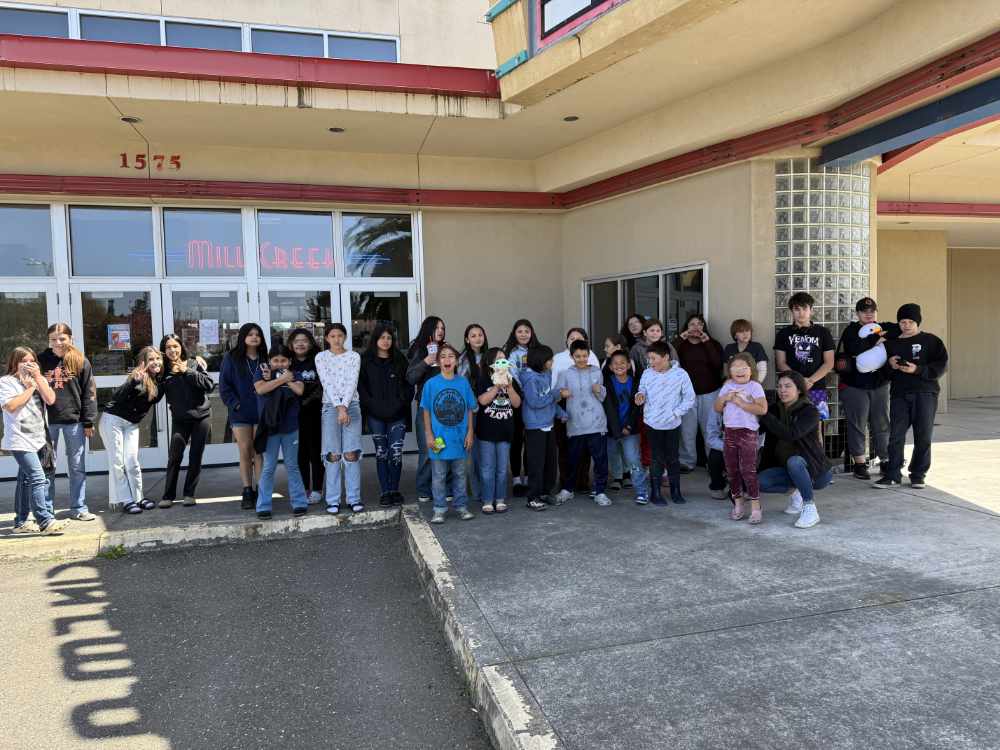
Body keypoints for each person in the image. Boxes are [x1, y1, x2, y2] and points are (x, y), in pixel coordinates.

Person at [873, 303, 948, 490]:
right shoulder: (891, 344)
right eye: (902, 322)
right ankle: (892, 474)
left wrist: (917, 369)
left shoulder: (931, 341)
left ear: (918, 322)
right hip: (899, 394)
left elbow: (941, 366)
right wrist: (890, 365)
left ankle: (918, 475)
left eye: (910, 322)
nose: (906, 325)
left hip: (925, 393)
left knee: (923, 436)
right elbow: (881, 374)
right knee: (896, 435)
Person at [1, 347, 66, 535]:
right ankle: (45, 521)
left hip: (38, 438)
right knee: (38, 478)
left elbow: (51, 399)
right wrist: (30, 388)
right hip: (19, 438)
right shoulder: (6, 382)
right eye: (24, 361)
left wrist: (38, 379)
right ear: (15, 363)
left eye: (32, 360)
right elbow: (11, 406)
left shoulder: (39, 379)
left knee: (24, 480)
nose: (29, 364)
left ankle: (20, 522)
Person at [38, 323, 97, 521]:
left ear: (70, 339)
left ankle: (78, 508)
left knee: (77, 467)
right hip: (48, 422)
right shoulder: (41, 360)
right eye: (53, 339)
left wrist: (88, 421)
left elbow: (89, 392)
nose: (58, 342)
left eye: (62, 338)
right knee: (47, 467)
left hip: (75, 422)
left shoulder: (80, 360)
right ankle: (46, 512)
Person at [758, 371, 832, 528]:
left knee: (795, 461)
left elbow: (791, 434)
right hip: (786, 469)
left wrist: (765, 415)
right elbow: (758, 429)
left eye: (787, 386)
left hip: (817, 473)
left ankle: (810, 507)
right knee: (759, 482)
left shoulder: (810, 411)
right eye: (779, 386)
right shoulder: (773, 409)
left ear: (799, 389)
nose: (782, 390)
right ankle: (797, 491)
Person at [99, 346, 164, 514]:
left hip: (131, 424)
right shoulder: (137, 376)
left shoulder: (158, 380)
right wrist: (134, 382)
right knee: (118, 463)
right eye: (151, 359)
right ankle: (126, 500)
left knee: (132, 462)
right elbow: (117, 397)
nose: (155, 362)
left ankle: (138, 497)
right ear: (143, 362)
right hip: (113, 420)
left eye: (158, 358)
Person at [837, 297, 896, 480]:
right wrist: (878, 338)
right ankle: (860, 464)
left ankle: (885, 460)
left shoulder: (882, 327)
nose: (869, 314)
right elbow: (856, 347)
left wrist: (883, 335)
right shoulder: (851, 330)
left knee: (882, 423)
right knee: (857, 424)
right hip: (854, 385)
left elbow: (899, 328)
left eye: (872, 311)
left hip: (880, 384)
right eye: (864, 311)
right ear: (858, 313)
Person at [420, 343, 477, 524]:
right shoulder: (431, 384)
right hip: (439, 439)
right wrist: (428, 434)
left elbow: (470, 408)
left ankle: (461, 506)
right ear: (438, 361)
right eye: (443, 356)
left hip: (459, 439)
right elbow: (426, 411)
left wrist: (470, 432)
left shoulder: (463, 382)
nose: (447, 359)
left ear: (457, 361)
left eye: (451, 356)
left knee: (460, 474)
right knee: (438, 476)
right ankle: (439, 509)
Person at [359, 322, 413, 506]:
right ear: (375, 339)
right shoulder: (366, 361)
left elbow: (408, 385)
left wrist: (402, 402)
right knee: (381, 453)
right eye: (382, 337)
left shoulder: (400, 360)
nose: (386, 341)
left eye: (389, 338)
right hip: (376, 416)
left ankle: (394, 489)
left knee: (396, 453)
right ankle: (385, 491)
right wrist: (371, 404)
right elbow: (361, 388)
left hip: (397, 415)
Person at [635, 341, 695, 505]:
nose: (651, 362)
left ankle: (676, 491)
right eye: (649, 359)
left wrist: (676, 413)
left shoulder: (680, 374)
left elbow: (689, 398)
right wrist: (639, 396)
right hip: (652, 423)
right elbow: (641, 390)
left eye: (654, 358)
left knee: (673, 458)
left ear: (666, 357)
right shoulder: (647, 373)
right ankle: (655, 493)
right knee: (656, 458)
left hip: (672, 423)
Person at [159, 334, 215, 508]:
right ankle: (168, 496)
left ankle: (189, 494)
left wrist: (187, 371)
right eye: (168, 347)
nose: (172, 350)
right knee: (174, 456)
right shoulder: (163, 371)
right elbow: (155, 395)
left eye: (175, 346)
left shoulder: (193, 363)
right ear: (163, 350)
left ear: (181, 347)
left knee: (195, 455)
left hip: (201, 417)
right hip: (180, 419)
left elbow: (209, 385)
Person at [253, 343, 307, 519]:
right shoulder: (262, 372)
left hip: (290, 428)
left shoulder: (295, 374)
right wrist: (282, 379)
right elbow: (261, 389)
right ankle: (263, 505)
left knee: (292, 465)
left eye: (283, 360)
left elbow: (299, 390)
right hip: (270, 428)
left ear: (290, 361)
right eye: (275, 360)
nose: (279, 363)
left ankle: (299, 502)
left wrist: (288, 379)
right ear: (270, 360)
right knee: (269, 466)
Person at [554, 339, 610, 506]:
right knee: (572, 459)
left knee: (600, 460)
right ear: (572, 356)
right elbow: (556, 395)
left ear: (589, 355)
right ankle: (568, 489)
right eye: (577, 356)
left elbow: (603, 396)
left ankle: (600, 491)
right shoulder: (565, 374)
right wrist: (561, 393)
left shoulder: (597, 372)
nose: (581, 359)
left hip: (597, 423)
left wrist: (600, 389)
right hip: (575, 424)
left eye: (584, 356)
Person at [219, 322, 267, 510]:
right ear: (243, 337)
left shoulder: (265, 357)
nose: (254, 337)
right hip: (241, 413)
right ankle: (247, 490)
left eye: (257, 334)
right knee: (245, 451)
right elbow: (224, 386)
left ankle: (262, 490)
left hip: (261, 411)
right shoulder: (231, 358)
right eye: (250, 334)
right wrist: (236, 404)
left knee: (258, 451)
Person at [316, 323, 363, 514]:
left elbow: (352, 381)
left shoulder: (354, 356)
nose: (337, 339)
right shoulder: (321, 357)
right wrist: (338, 406)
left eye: (340, 335)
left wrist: (345, 406)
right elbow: (326, 382)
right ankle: (333, 500)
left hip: (352, 405)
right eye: (332, 336)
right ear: (327, 338)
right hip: (330, 406)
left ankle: (354, 498)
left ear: (345, 337)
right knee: (333, 454)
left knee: (351, 453)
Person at [715, 353, 768, 523]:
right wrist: (725, 398)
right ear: (729, 371)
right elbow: (717, 407)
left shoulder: (755, 386)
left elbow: (763, 409)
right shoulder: (727, 385)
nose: (740, 371)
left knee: (748, 470)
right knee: (731, 470)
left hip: (748, 433)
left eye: (744, 367)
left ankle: (755, 505)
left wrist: (742, 403)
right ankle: (738, 502)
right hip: (729, 432)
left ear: (751, 370)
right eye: (735, 367)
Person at [773, 292, 835, 424]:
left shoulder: (823, 333)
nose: (801, 313)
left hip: (816, 387)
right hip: (791, 388)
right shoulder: (783, 334)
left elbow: (829, 363)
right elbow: (780, 363)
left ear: (811, 310)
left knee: (817, 426)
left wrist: (810, 380)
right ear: (791, 311)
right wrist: (799, 381)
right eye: (797, 309)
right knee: (790, 424)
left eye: (805, 308)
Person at [673, 314, 724, 473]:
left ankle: (712, 462)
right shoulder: (681, 344)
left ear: (704, 327)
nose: (696, 327)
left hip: (710, 392)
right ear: (686, 327)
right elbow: (669, 358)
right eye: (692, 324)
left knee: (710, 429)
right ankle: (687, 462)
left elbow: (718, 364)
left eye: (699, 324)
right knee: (687, 431)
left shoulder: (713, 343)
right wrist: (680, 339)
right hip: (686, 394)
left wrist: (706, 342)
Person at [552, 328, 600, 493]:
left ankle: (583, 480)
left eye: (579, 337)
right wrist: (558, 397)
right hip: (564, 403)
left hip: (587, 404)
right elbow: (553, 383)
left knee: (585, 444)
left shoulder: (591, 356)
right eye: (571, 338)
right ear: (567, 341)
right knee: (565, 445)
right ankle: (566, 481)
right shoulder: (558, 358)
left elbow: (597, 381)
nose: (574, 340)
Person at [475, 347, 521, 514]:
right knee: (487, 468)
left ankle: (500, 499)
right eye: (498, 360)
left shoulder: (511, 379)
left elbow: (517, 403)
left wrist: (509, 387)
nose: (502, 363)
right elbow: (482, 400)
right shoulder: (483, 379)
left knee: (502, 469)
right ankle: (487, 500)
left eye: (504, 359)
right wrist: (496, 387)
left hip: (505, 431)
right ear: (491, 364)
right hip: (486, 432)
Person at [407, 316, 446, 502]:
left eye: (442, 328)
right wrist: (427, 361)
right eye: (437, 328)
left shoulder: (446, 349)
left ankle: (445, 487)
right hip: (426, 408)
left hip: (446, 407)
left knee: (445, 447)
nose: (440, 331)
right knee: (428, 449)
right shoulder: (419, 349)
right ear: (428, 329)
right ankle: (424, 488)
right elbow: (410, 378)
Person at [519, 344, 563, 511]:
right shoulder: (530, 379)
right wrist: (556, 394)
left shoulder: (547, 374)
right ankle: (533, 497)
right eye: (549, 360)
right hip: (535, 427)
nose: (552, 362)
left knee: (550, 462)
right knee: (536, 464)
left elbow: (548, 397)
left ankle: (545, 492)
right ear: (540, 361)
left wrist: (560, 412)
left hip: (548, 424)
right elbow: (535, 402)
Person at [602, 350, 648, 504]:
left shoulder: (636, 383)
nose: (619, 365)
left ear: (629, 365)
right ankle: (618, 477)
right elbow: (607, 407)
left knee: (633, 459)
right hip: (611, 429)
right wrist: (615, 429)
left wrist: (628, 426)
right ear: (610, 367)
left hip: (631, 429)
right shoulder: (606, 383)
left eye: (622, 362)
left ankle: (641, 491)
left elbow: (636, 408)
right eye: (615, 363)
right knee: (613, 455)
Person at [503, 318, 542, 497]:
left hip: (535, 401)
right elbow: (511, 374)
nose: (524, 334)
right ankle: (516, 478)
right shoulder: (510, 353)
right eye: (520, 331)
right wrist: (522, 391)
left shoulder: (538, 351)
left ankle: (528, 476)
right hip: (517, 400)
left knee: (531, 440)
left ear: (532, 333)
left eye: (527, 331)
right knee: (517, 440)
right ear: (514, 333)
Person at [287, 328, 324, 504]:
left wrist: (307, 401)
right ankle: (304, 488)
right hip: (294, 415)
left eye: (304, 340)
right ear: (291, 345)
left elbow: (322, 386)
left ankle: (317, 489)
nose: (300, 344)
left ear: (310, 343)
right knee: (300, 453)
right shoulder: (288, 363)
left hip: (315, 412)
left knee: (316, 452)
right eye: (296, 341)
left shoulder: (318, 361)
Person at [458, 323, 488, 504]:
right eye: (473, 335)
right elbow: (462, 387)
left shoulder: (489, 356)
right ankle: (477, 492)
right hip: (473, 410)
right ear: (467, 340)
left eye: (480, 335)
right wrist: (474, 404)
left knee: (486, 452)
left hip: (490, 409)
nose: (477, 338)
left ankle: (488, 489)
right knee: (474, 454)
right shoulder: (463, 359)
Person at [704, 405, 728, 500]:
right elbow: (711, 438)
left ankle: (743, 487)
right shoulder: (717, 407)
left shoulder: (750, 407)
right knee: (715, 456)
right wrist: (728, 448)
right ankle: (717, 486)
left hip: (745, 447)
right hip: (726, 446)